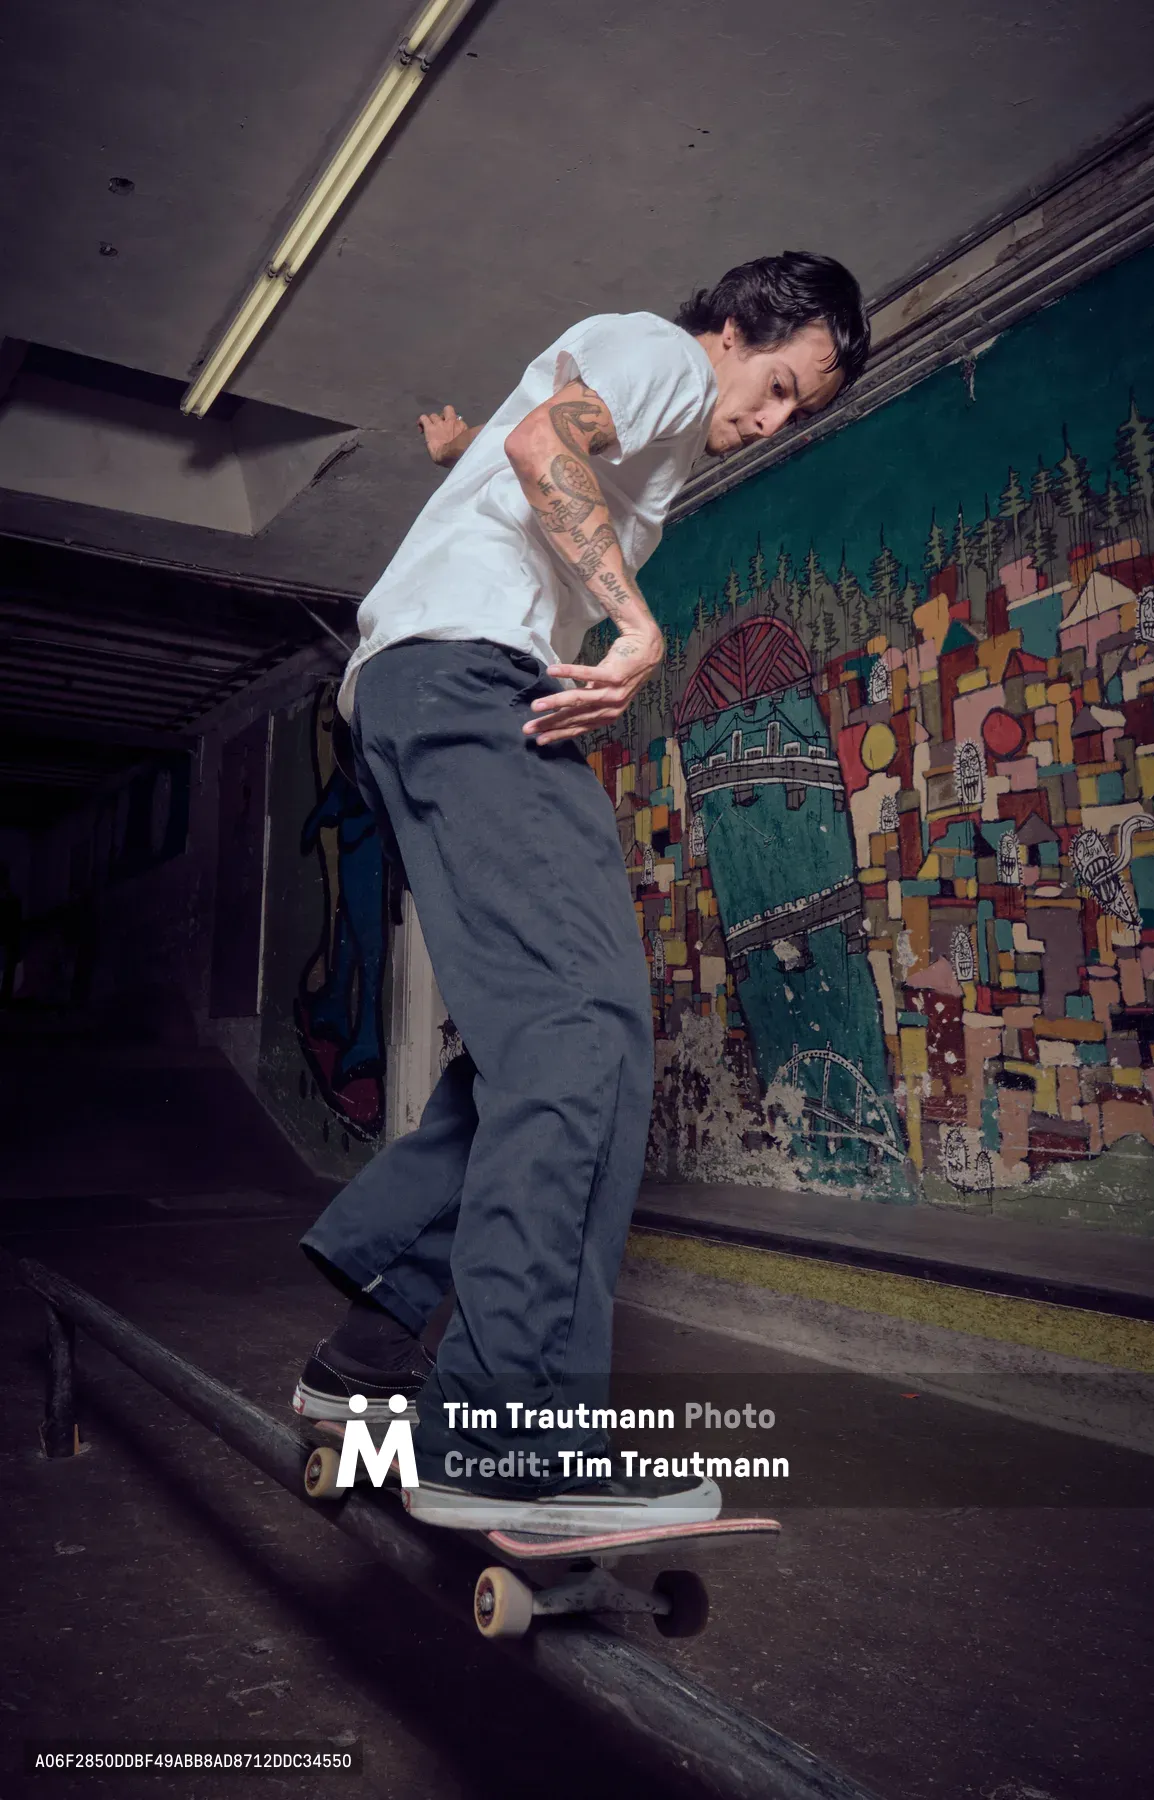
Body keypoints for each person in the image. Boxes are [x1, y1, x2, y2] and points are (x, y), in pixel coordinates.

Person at [292, 252, 869, 1532]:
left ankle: (376, 1355)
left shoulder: (634, 397)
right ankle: (505, 1439)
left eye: (799, 415)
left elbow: (524, 456)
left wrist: (468, 446)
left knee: (527, 1043)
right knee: (584, 1033)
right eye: (775, 386)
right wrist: (639, 627)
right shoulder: (661, 357)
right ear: (729, 331)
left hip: (420, 690)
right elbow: (552, 443)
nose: (770, 423)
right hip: (466, 688)